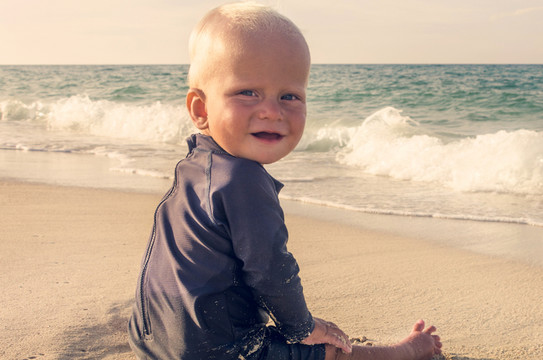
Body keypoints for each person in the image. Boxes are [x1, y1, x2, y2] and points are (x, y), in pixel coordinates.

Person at [127, 2, 443, 360]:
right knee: (328, 351)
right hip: (218, 352)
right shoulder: (242, 180)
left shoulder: (195, 165)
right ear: (201, 110)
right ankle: (407, 351)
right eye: (248, 92)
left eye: (289, 96)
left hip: (154, 341)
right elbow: (271, 271)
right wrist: (303, 328)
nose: (272, 111)